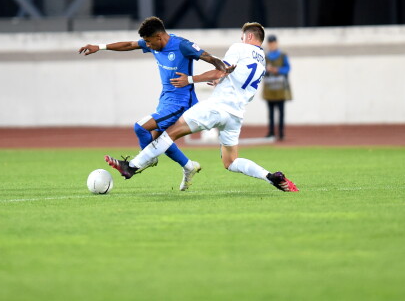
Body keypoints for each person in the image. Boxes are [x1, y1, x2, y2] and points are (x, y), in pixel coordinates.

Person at [105, 22, 299, 192]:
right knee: (230, 162)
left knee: (167, 133)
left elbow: (220, 70)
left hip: (216, 108)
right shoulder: (263, 61)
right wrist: (221, 80)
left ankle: (131, 166)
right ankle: (271, 176)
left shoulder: (239, 47)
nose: (240, 39)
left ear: (248, 36)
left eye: (242, 37)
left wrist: (190, 79)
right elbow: (232, 76)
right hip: (236, 115)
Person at [78, 16, 228, 186]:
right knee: (159, 140)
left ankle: (145, 159)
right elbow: (129, 45)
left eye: (149, 42)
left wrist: (212, 75)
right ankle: (188, 166)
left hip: (181, 103)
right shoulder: (153, 44)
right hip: (165, 101)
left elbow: (213, 60)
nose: (147, 45)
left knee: (141, 127)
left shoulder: (182, 45)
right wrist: (99, 47)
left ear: (158, 37)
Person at [262, 34, 292, 140]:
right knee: (270, 113)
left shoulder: (283, 56)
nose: (271, 45)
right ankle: (271, 132)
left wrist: (276, 70)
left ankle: (281, 132)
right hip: (269, 89)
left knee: (281, 112)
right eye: (270, 43)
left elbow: (287, 69)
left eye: (273, 43)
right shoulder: (264, 57)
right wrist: (267, 69)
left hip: (280, 89)